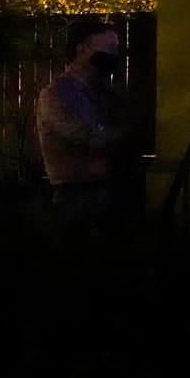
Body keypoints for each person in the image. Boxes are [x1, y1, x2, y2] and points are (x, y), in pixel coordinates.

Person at [35, 21, 135, 232]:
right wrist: (114, 134)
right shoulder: (56, 94)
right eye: (108, 49)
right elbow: (84, 136)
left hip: (106, 188)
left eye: (115, 49)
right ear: (82, 49)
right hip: (75, 194)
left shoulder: (104, 93)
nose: (113, 55)